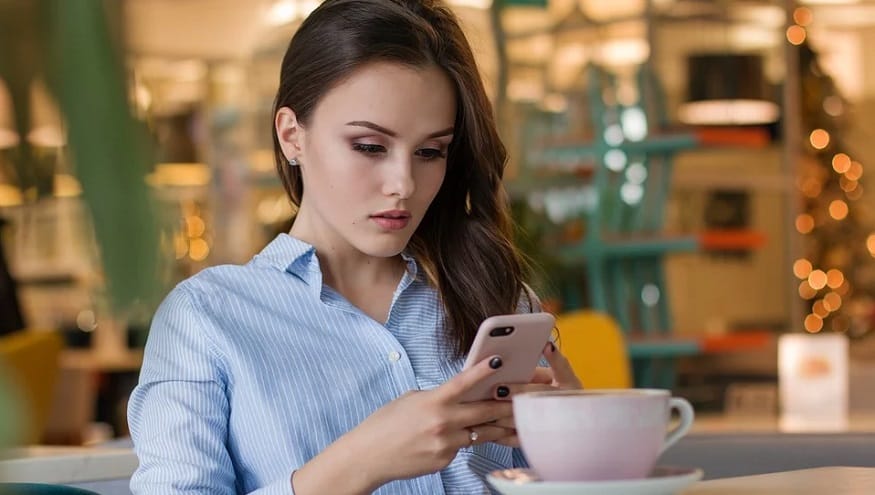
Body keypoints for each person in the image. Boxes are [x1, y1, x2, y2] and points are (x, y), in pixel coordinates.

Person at [128, 1, 581, 493]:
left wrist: (582, 445)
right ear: (291, 135)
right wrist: (360, 462)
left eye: (430, 152)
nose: (403, 183)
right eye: (369, 146)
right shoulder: (206, 319)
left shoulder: (493, 302)